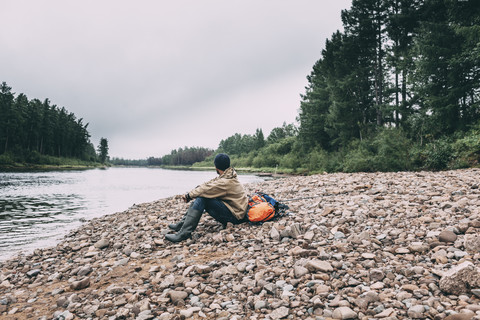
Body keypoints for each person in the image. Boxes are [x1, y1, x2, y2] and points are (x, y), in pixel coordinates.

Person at [165, 153, 248, 243]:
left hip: (235, 217)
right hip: (236, 212)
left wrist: (189, 196)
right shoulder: (229, 175)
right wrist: (194, 190)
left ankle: (184, 234)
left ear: (216, 166)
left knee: (202, 198)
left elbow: (205, 190)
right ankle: (182, 225)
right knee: (203, 195)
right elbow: (208, 184)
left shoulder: (224, 182)